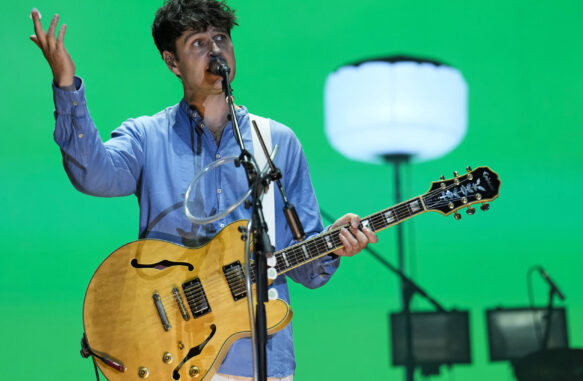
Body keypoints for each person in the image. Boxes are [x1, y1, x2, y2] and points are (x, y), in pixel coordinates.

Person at [29, 0, 377, 380]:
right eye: (197, 42)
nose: (214, 50)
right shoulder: (147, 137)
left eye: (221, 38)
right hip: (169, 355)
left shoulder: (276, 142)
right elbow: (91, 175)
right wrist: (66, 86)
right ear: (172, 62)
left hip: (258, 358)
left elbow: (310, 272)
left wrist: (334, 243)